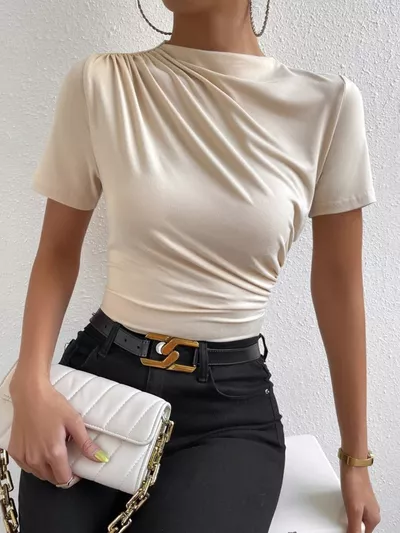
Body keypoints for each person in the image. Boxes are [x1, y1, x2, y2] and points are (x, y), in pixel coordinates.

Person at [7, 0, 381, 532]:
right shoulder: (102, 82)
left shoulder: (329, 106)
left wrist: (356, 459)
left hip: (227, 414)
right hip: (100, 382)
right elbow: (56, 253)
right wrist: (31, 383)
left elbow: (340, 287)